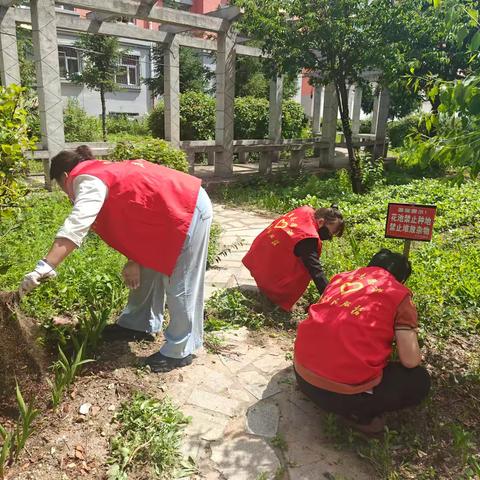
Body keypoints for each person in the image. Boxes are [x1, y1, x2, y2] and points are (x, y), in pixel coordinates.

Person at [20, 146, 213, 372]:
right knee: (147, 266)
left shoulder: (86, 179)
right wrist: (134, 258)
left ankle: (181, 350)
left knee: (181, 283)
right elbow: (135, 212)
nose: (66, 193)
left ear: (64, 177)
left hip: (186, 207)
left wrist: (46, 265)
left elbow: (77, 223)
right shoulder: (99, 170)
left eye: (62, 187)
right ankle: (139, 324)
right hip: (163, 214)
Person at [294, 249, 430, 434]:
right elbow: (410, 360)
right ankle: (359, 416)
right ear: (401, 279)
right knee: (418, 380)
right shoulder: (399, 294)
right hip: (343, 397)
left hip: (303, 377)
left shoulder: (341, 279)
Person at [242, 205, 344, 311]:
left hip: (258, 253)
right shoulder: (307, 237)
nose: (329, 238)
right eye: (330, 233)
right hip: (265, 267)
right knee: (302, 269)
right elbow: (315, 270)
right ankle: (273, 298)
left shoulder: (306, 211)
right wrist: (331, 297)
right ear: (321, 222)